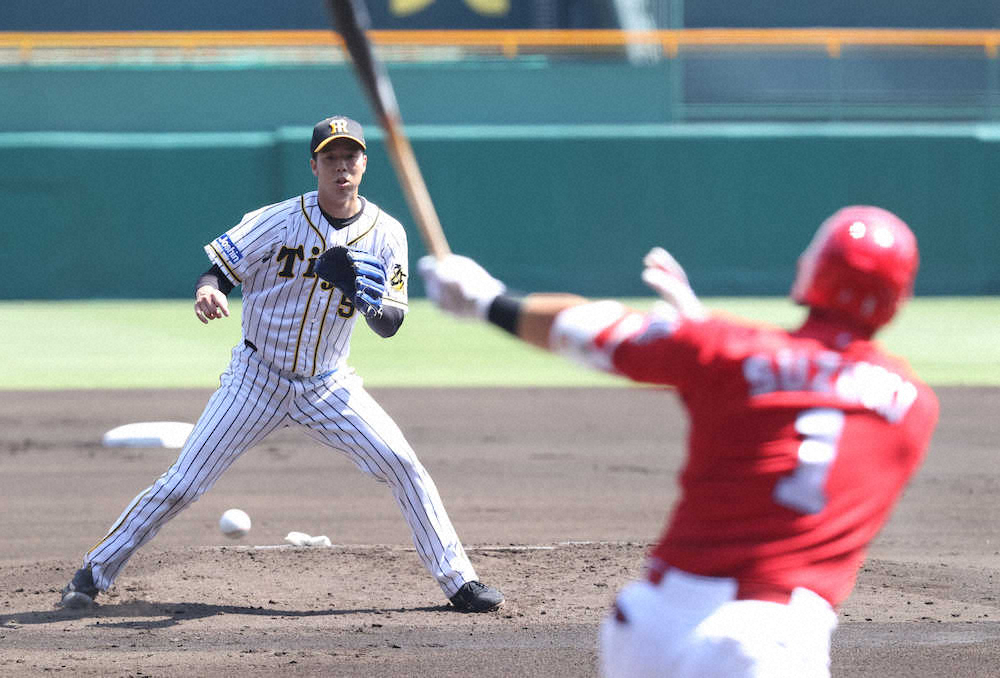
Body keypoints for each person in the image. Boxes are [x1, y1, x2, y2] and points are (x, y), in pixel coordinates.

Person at [417, 205, 938, 676]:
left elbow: (592, 331)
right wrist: (701, 337)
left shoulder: (726, 351)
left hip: (651, 629)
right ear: (898, 297)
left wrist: (485, 300)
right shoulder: (914, 408)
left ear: (814, 271)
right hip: (769, 640)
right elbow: (806, 408)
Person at [60, 115, 503, 614]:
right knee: (182, 485)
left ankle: (459, 582)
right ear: (313, 165)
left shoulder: (387, 234)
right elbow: (219, 270)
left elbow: (391, 323)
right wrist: (208, 291)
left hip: (329, 386)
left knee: (404, 466)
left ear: (364, 163)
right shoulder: (277, 219)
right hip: (256, 380)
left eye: (350, 157)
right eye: (331, 158)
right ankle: (92, 573)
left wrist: (360, 294)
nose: (342, 167)